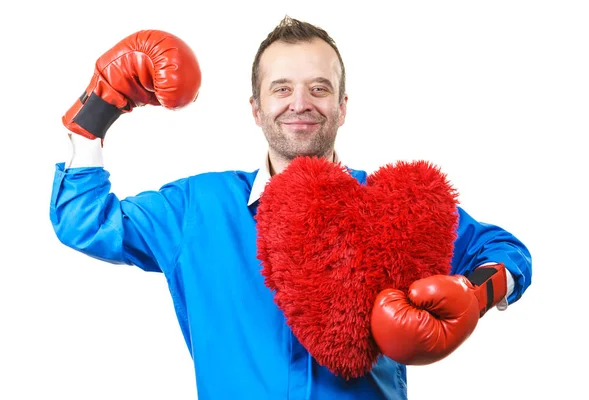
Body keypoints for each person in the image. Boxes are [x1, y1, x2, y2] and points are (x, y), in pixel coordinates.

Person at [50, 16, 532, 400]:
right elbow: (84, 221)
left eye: (319, 88)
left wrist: (477, 293)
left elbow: (507, 252)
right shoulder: (198, 208)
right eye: (281, 88)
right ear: (256, 109)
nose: (300, 103)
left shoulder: (394, 207)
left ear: (343, 106)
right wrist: (98, 109)